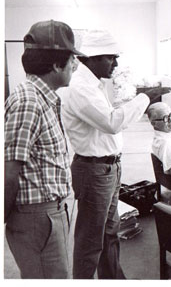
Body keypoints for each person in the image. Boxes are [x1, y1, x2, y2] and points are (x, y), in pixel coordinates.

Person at [61, 29, 171, 279]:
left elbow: (110, 121)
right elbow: (112, 122)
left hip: (108, 167)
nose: (116, 64)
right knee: (91, 237)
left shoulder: (94, 85)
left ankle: (113, 279)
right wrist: (144, 97)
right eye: (111, 57)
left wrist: (140, 99)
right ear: (91, 58)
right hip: (94, 170)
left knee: (109, 231)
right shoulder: (80, 88)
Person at [4, 20, 84, 278]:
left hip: (50, 214)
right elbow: (8, 171)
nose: (75, 65)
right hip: (38, 219)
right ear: (55, 64)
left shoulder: (43, 98)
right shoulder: (29, 101)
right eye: (72, 59)